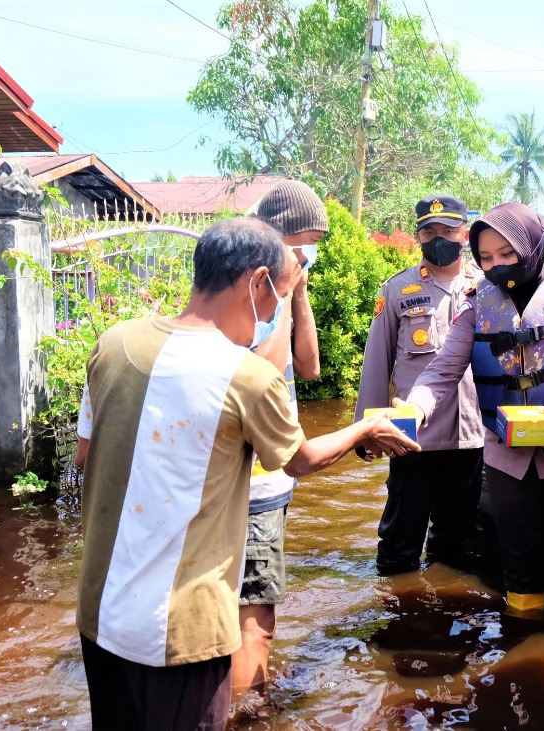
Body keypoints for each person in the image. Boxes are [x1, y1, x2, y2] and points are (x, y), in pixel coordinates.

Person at [72, 218, 419, 730]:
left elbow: (86, 456)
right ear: (257, 283)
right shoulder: (248, 376)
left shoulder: (116, 344)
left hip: (101, 613)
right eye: (280, 294)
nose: (278, 307)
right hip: (182, 631)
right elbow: (298, 460)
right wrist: (362, 432)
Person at [399, 202, 544, 631]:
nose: (497, 266)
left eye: (507, 254)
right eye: (485, 258)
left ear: (531, 246)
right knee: (520, 574)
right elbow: (443, 369)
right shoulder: (475, 302)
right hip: (507, 463)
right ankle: (518, 665)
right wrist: (415, 408)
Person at [354, 194, 485, 574]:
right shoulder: (398, 289)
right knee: (400, 540)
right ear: (418, 237)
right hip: (412, 437)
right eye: (429, 232)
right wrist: (367, 431)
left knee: (454, 542)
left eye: (448, 230)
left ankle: (441, 617)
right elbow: (377, 363)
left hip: (471, 436)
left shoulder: (486, 288)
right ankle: (396, 611)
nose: (438, 238)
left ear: (465, 234)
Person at [236, 179, 326, 699]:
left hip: (275, 478)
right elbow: (264, 374)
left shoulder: (283, 293)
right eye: (299, 246)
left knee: (248, 611)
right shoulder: (241, 292)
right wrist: (284, 291)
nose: (305, 257)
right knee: (255, 617)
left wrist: (299, 292)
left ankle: (239, 694)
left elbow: (308, 369)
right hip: (252, 483)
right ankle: (247, 708)